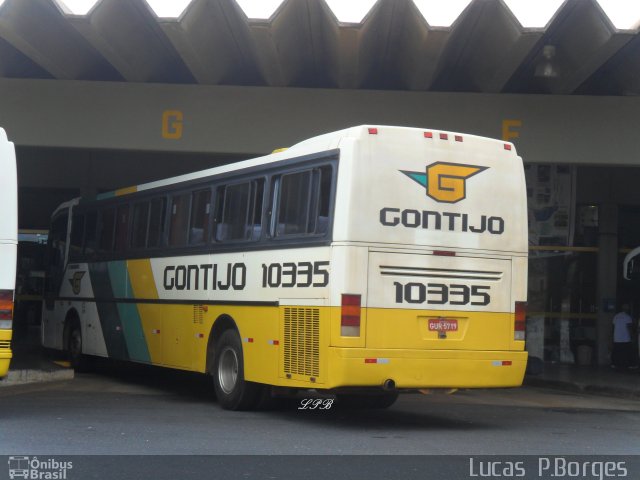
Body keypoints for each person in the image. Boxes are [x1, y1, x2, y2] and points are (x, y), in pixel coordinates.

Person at [611, 304, 634, 370]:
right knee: (627, 352)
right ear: (627, 309)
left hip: (617, 338)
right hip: (625, 338)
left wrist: (612, 337)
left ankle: (614, 364)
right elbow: (629, 328)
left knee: (617, 351)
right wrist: (632, 337)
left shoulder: (616, 316)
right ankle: (629, 364)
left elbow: (613, 327)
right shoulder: (628, 317)